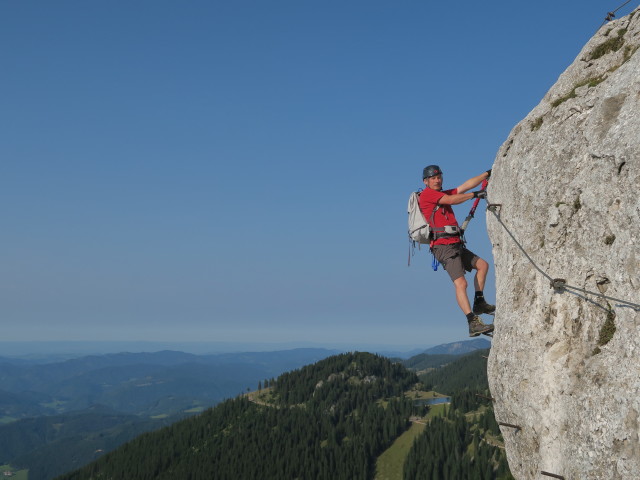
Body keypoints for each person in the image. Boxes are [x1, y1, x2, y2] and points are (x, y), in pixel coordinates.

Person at [419, 165, 495, 337]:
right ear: (426, 181)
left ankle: (479, 302)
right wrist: (476, 195)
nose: (437, 180)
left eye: (439, 177)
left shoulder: (441, 193)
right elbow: (452, 200)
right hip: (443, 246)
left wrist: (486, 174)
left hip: (455, 243)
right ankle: (472, 322)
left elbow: (464, 186)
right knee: (461, 283)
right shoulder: (427, 195)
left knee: (483, 266)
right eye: (433, 178)